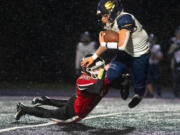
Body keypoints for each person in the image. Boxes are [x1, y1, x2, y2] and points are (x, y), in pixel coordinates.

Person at [81, 0, 150, 108]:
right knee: (111, 76)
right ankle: (124, 81)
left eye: (104, 15)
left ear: (113, 12)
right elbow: (105, 45)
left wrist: (105, 43)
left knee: (139, 84)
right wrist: (94, 57)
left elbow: (121, 45)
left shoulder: (125, 19)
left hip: (140, 54)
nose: (103, 19)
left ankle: (139, 94)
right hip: (126, 53)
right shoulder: (110, 23)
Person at [15, 55, 110, 123]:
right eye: (98, 68)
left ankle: (46, 100)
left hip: (77, 102)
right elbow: (97, 89)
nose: (101, 69)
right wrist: (103, 71)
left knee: (72, 103)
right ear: (89, 69)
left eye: (101, 66)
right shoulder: (83, 79)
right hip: (73, 113)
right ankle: (24, 109)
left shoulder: (99, 77)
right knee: (48, 113)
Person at [168, 26, 180, 97]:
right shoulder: (173, 41)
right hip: (175, 63)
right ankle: (176, 94)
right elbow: (169, 53)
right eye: (178, 32)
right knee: (175, 79)